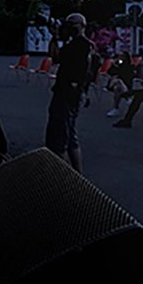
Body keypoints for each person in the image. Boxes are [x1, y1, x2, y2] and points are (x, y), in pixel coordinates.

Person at [45, 13, 92, 172]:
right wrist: (54, 37)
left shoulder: (83, 45)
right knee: (69, 135)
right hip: (66, 92)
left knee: (59, 137)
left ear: (82, 26)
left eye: (74, 24)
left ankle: (65, 177)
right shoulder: (72, 44)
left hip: (68, 94)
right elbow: (55, 57)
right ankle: (77, 175)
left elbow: (81, 72)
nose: (70, 28)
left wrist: (76, 91)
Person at [104, 51, 138, 118]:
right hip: (115, 83)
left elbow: (127, 75)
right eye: (119, 56)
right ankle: (127, 97)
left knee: (117, 87)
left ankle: (115, 109)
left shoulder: (130, 65)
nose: (120, 58)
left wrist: (118, 72)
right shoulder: (118, 63)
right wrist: (114, 65)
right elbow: (110, 72)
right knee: (117, 82)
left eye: (122, 56)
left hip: (125, 84)